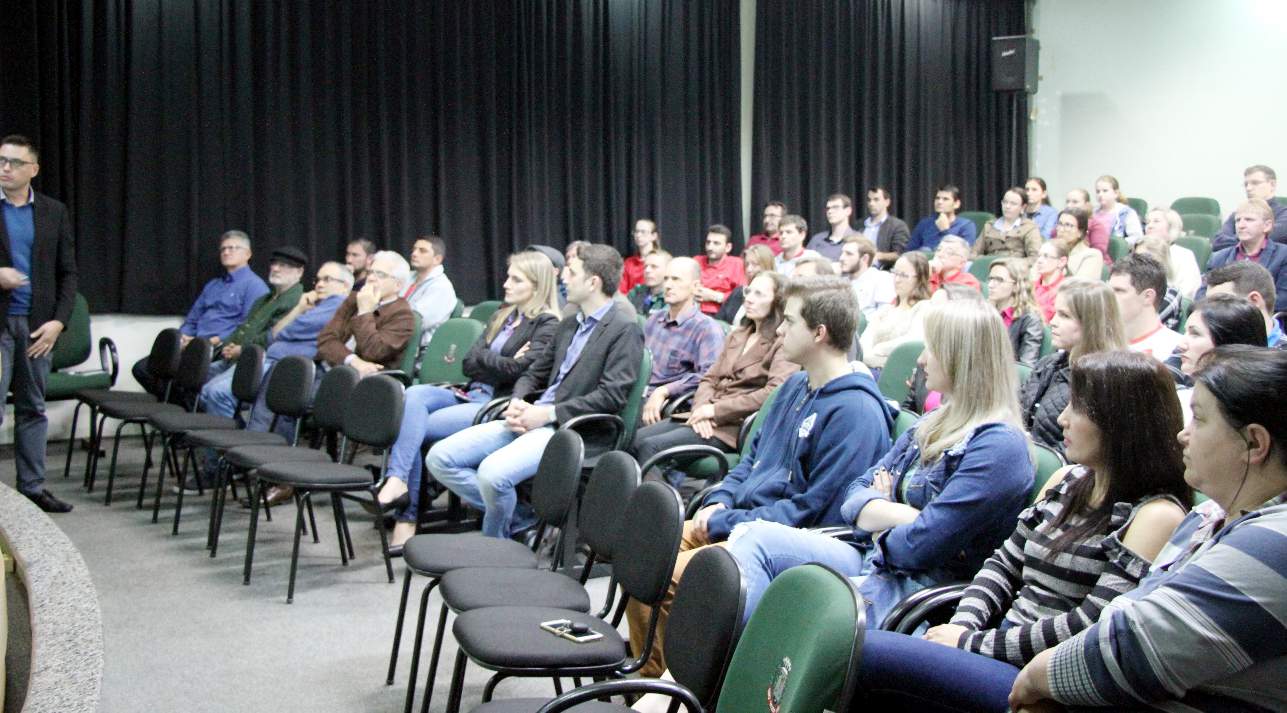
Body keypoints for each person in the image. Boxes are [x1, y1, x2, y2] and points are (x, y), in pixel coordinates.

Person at [844, 351, 1199, 713]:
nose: (1061, 418)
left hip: (1045, 682)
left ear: (1120, 422)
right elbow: (1003, 565)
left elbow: (1090, 626)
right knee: (856, 647)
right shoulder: (1067, 480)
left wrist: (970, 643)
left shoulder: (1156, 515)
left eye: (1078, 408)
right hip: (995, 646)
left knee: (862, 651)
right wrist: (962, 626)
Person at [627, 275, 894, 677]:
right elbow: (751, 459)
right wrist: (721, 499)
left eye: (790, 321)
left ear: (819, 333)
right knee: (645, 554)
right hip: (737, 518)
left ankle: (678, 689)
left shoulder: (856, 412)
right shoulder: (795, 386)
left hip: (777, 541)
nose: (780, 330)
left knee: (671, 578)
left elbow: (812, 512)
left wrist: (725, 520)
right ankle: (647, 679)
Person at [1007, 346, 1287, 712]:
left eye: (1199, 420)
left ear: (1254, 443)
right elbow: (1120, 617)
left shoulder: (1275, 540)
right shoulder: (1205, 518)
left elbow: (1131, 648)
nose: (1183, 435)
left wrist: (1038, 676)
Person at [726, 299, 1033, 632]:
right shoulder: (933, 420)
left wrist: (881, 517)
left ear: (961, 357)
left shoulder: (1000, 447)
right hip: (873, 557)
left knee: (787, 612)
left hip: (916, 592)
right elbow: (854, 495)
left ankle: (741, 659)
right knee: (752, 538)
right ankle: (731, 658)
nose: (921, 359)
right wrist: (908, 516)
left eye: (931, 348)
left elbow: (918, 549)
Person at [425, 244, 643, 539]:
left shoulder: (624, 329)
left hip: (574, 429)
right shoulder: (569, 323)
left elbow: (612, 396)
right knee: (440, 458)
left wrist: (548, 413)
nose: (563, 277)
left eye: (571, 272)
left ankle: (493, 550)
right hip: (536, 417)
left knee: (491, 475)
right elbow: (534, 373)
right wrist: (517, 401)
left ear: (593, 282)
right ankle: (521, 520)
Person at [375, 251, 561, 548]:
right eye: (508, 277)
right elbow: (467, 363)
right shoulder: (503, 314)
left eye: (516, 280)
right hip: (470, 391)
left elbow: (519, 371)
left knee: (412, 429)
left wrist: (487, 358)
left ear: (537, 286)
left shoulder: (547, 324)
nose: (506, 284)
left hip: (494, 403)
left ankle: (407, 514)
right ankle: (398, 483)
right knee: (412, 395)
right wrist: (500, 360)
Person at [630, 271, 795, 481]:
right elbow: (709, 378)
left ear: (777, 301)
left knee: (650, 447)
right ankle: (658, 495)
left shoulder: (782, 343)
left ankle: (658, 502)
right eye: (748, 291)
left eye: (759, 294)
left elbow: (773, 393)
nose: (749, 298)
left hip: (733, 426)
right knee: (633, 441)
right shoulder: (738, 335)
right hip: (702, 416)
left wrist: (715, 411)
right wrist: (702, 409)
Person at [0, 134, 78, 513]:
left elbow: (68, 274)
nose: (5, 168)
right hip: (1, 325)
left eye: (15, 162)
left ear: (33, 169)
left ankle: (32, 488)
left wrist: (58, 323)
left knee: (33, 408)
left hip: (37, 329)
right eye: (1, 160)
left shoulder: (53, 211)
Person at [132, 230, 270, 400]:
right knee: (142, 369)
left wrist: (214, 340)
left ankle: (184, 410)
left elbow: (247, 327)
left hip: (217, 349)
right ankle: (180, 408)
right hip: (192, 345)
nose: (226, 252)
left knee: (182, 380)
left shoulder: (255, 286)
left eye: (233, 248)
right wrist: (183, 338)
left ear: (248, 254)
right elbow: (192, 319)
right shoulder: (213, 285)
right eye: (223, 249)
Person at [195, 248, 309, 418]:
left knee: (214, 392)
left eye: (284, 265)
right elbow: (243, 328)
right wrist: (229, 345)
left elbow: (273, 337)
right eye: (274, 264)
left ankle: (229, 433)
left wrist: (242, 350)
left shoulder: (296, 301)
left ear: (299, 272)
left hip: (261, 362)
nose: (275, 268)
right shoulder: (265, 298)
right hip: (238, 356)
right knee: (195, 379)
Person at [1021, 279, 1126, 456]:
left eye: (1064, 315)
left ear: (1091, 323)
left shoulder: (1106, 380)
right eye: (1055, 313)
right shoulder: (1048, 364)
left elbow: (1084, 452)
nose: (1052, 322)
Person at [638, 258, 725, 427]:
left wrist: (665, 390)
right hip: (637, 395)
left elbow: (709, 376)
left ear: (695, 287)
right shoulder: (653, 320)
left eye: (676, 279)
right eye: (666, 279)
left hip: (667, 407)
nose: (668, 285)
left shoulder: (706, 329)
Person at [1174, 294, 1266, 422]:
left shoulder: (1259, 411)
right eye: (1185, 332)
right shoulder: (1181, 399)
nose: (1181, 345)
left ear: (1230, 343)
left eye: (1195, 334)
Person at [860, 251, 932, 370]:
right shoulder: (886, 310)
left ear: (920, 279)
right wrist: (868, 356)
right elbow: (864, 342)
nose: (897, 280)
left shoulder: (924, 308)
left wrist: (878, 349)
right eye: (895, 273)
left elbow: (912, 342)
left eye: (903, 275)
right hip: (868, 368)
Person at [1203, 198, 1287, 300]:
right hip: (1221, 309)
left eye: (1249, 220)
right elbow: (1202, 293)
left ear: (1267, 226)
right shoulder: (1218, 258)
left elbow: (1283, 299)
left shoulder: (1283, 256)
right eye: (1238, 220)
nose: (1241, 225)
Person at [1109, 253, 1183, 360]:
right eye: (1109, 290)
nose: (1108, 296)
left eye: (1119, 291)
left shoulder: (1174, 351)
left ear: (1148, 297)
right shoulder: (1100, 341)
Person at [1204, 260, 1286, 347]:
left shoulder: (1282, 354)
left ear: (1254, 301)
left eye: (1220, 303)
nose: (1208, 311)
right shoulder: (1209, 347)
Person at [1211, 164, 1287, 251]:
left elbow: (1265, 239)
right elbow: (1218, 242)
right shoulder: (1238, 214)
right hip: (1235, 258)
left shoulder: (1284, 214)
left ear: (1272, 185)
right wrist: (1248, 239)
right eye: (1246, 184)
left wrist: (1237, 239)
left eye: (1255, 183)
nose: (1248, 188)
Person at [402, 234, 457, 352]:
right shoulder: (408, 277)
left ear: (437, 259)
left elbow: (415, 323)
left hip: (418, 352)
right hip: (398, 341)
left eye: (422, 251)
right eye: (414, 249)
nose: (414, 254)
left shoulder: (441, 287)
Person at [988, 258, 1044, 364]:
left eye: (999, 280)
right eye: (990, 279)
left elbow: (1026, 366)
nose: (990, 285)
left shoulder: (1030, 319)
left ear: (1016, 286)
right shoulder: (986, 312)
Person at [1142, 208, 1202, 299]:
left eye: (1156, 221)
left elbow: (1187, 292)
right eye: (1148, 222)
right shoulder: (1140, 252)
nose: (1149, 226)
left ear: (1171, 227)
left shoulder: (1184, 255)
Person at [973, 186, 1042, 259]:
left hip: (1015, 264)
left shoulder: (1029, 227)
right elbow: (974, 253)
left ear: (1023, 207)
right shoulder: (989, 226)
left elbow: (1035, 257)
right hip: (989, 263)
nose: (1007, 206)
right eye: (1005, 202)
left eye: (1013, 204)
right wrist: (984, 260)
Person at [906, 184, 978, 252]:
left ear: (956, 204)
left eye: (945, 199)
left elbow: (964, 252)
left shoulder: (966, 225)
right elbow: (910, 250)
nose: (939, 202)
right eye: (937, 198)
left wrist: (945, 231)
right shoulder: (925, 223)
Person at [693, 224, 745, 315]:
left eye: (716, 243)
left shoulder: (736, 264)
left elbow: (742, 295)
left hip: (721, 314)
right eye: (708, 242)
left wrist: (715, 296)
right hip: (693, 311)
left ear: (728, 247)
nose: (710, 247)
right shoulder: (696, 261)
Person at [716, 244, 774, 324]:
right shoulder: (738, 292)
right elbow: (719, 320)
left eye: (754, 264)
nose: (749, 269)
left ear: (767, 265)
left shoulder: (773, 294)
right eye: (747, 264)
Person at [840, 234, 895, 316]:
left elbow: (885, 315)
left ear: (864, 258)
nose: (841, 258)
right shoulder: (841, 282)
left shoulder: (882, 279)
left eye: (849, 254)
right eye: (842, 253)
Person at [1090, 174, 1142, 252]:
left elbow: (1137, 237)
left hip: (1113, 254)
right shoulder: (1092, 212)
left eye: (1105, 191)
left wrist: (1118, 246)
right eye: (1098, 191)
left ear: (1116, 193)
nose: (1100, 194)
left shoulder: (1126, 213)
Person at [863, 186, 911, 268]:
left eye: (876, 200)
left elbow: (901, 254)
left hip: (883, 270)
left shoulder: (897, 226)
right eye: (869, 200)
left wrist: (879, 256)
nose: (871, 203)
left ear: (887, 202)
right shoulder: (860, 225)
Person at [1054, 206, 1103, 281]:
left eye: (1068, 225)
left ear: (1080, 232)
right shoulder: (1051, 251)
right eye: (1060, 224)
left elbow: (1081, 285)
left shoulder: (1091, 255)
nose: (1061, 229)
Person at [807, 193, 859, 260]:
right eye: (828, 208)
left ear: (848, 211)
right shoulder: (817, 240)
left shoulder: (858, 240)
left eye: (835, 207)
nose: (830, 211)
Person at [619, 217, 662, 294]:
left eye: (643, 232)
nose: (638, 235)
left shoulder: (662, 260)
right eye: (636, 231)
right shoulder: (629, 263)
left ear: (654, 236)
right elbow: (622, 290)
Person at [625, 249, 671, 317]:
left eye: (654, 266)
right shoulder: (636, 292)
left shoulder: (672, 297)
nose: (647, 270)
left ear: (668, 270)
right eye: (645, 266)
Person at [1031, 240, 1068, 323]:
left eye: (1046, 256)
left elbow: (1040, 320)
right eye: (1039, 256)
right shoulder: (1033, 283)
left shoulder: (1064, 290)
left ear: (1062, 262)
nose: (1039, 260)